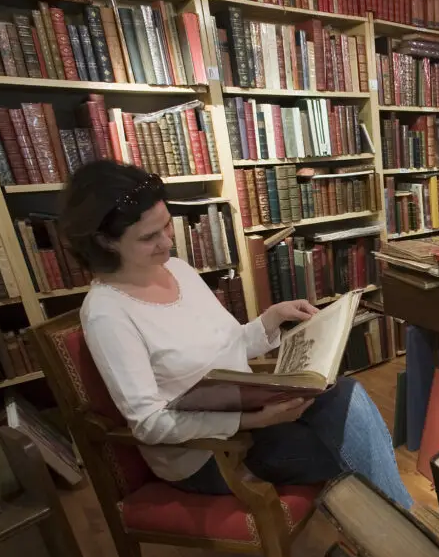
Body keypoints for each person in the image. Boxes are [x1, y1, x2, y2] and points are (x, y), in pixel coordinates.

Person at [60, 160, 413, 507]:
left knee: (346, 396)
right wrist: (250, 420)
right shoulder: (107, 314)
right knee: (358, 446)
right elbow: (149, 424)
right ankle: (412, 537)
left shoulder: (177, 269)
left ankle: (404, 537)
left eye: (167, 225)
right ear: (105, 241)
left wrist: (270, 320)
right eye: (149, 237)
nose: (167, 242)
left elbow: (227, 346)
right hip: (208, 454)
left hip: (253, 419)